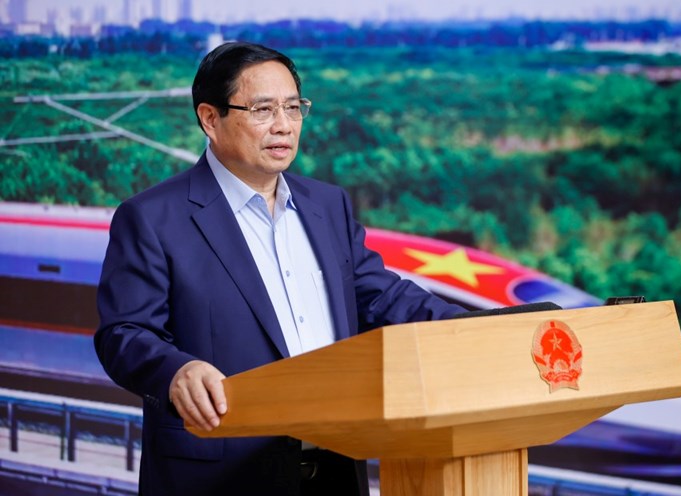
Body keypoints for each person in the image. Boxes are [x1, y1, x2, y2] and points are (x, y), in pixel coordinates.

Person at [94, 41, 465, 496]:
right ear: (211, 119)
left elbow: (384, 299)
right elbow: (124, 333)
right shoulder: (153, 218)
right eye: (263, 109)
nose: (284, 126)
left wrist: (476, 329)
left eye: (294, 108)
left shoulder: (327, 205)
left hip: (335, 471)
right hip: (221, 477)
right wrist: (175, 372)